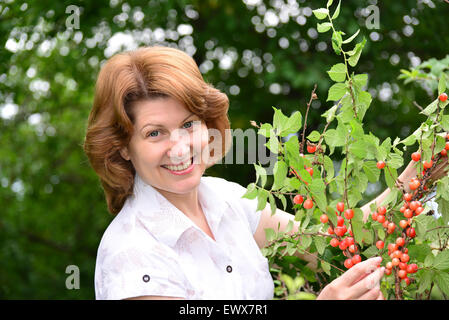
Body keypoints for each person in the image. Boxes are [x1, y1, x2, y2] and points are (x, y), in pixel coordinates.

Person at [83, 45, 445, 300]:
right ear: (122, 148)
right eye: (154, 133)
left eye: (189, 124)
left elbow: (341, 234)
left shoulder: (225, 200)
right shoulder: (131, 255)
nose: (181, 147)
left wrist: (421, 169)